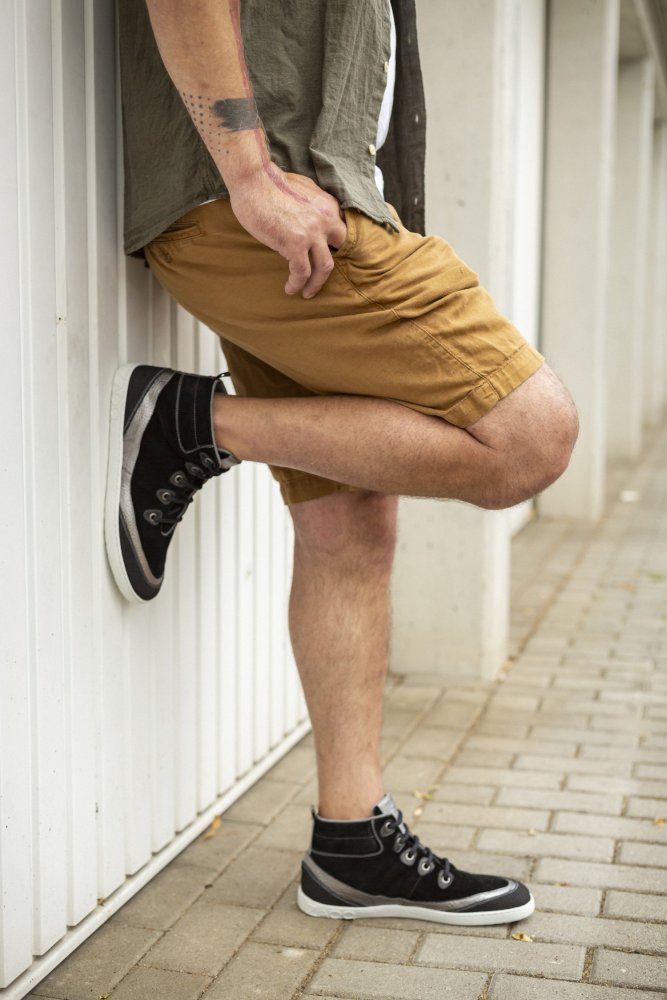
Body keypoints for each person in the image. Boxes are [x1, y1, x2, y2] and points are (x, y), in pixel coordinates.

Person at [109, 0, 578, 926]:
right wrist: (248, 171)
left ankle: (350, 846)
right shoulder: (251, 185)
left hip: (311, 205)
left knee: (351, 520)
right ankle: (198, 424)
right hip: (257, 203)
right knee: (530, 434)